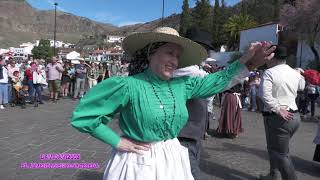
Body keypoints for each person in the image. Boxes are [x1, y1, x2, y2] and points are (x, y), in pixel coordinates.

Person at [71, 27, 275, 180]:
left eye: (178, 56)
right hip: (138, 163)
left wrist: (249, 62)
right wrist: (118, 141)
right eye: (169, 53)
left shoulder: (183, 85)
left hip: (173, 159)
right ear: (152, 52)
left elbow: (218, 81)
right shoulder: (127, 85)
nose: (175, 61)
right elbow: (85, 117)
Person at [173, 27, 220, 180]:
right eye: (203, 49)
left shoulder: (193, 67)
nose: (206, 53)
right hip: (185, 131)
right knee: (192, 173)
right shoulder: (188, 68)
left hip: (192, 130)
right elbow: (213, 84)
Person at [259, 45, 305, 180]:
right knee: (275, 149)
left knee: (280, 153)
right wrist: (298, 74)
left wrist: (278, 108)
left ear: (273, 56)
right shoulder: (294, 72)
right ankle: (273, 175)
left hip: (279, 117)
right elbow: (301, 86)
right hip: (294, 116)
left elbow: (264, 94)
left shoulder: (269, 72)